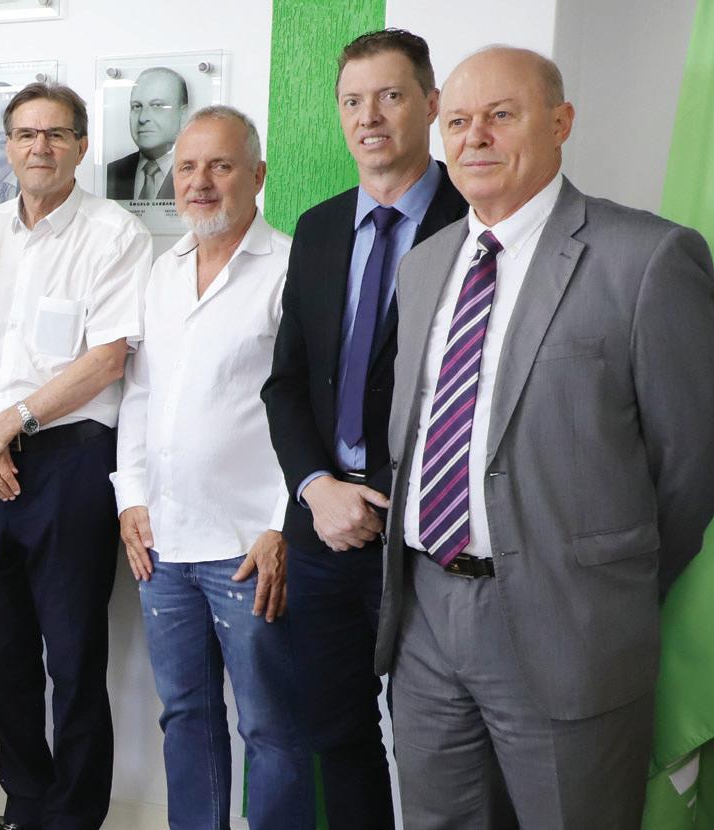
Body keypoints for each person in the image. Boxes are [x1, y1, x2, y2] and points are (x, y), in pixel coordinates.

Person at [381, 46, 714, 828]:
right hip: (426, 616)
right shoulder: (426, 264)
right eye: (458, 122)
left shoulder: (646, 259)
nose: (474, 137)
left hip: (570, 626)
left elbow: (693, 461)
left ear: (561, 122)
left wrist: (603, 575)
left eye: (500, 116)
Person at [259, 29, 466, 829]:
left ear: (430, 104)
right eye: (352, 101)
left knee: (439, 743)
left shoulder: (474, 221)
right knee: (335, 733)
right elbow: (285, 384)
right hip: (322, 534)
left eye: (389, 96)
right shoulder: (317, 229)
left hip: (426, 538)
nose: (368, 116)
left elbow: (477, 398)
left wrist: (381, 494)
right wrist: (316, 487)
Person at [0, 82, 150, 830]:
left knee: (73, 658)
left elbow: (107, 358)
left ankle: (72, 816)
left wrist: (11, 422)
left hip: (72, 460)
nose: (40, 147)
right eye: (26, 134)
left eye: (56, 134)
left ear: (81, 146)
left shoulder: (115, 233)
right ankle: (26, 799)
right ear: (7, 147)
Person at [112, 107, 311, 830]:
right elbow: (139, 393)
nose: (199, 182)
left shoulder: (289, 269)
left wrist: (282, 526)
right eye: (187, 167)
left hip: (249, 545)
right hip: (163, 543)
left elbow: (309, 409)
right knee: (185, 715)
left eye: (220, 166)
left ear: (257, 176)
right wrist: (130, 498)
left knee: (271, 725)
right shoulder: (161, 272)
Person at [105, 68, 187, 201]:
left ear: (183, 114)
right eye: (136, 106)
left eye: (157, 106)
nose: (143, 118)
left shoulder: (198, 171)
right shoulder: (113, 172)